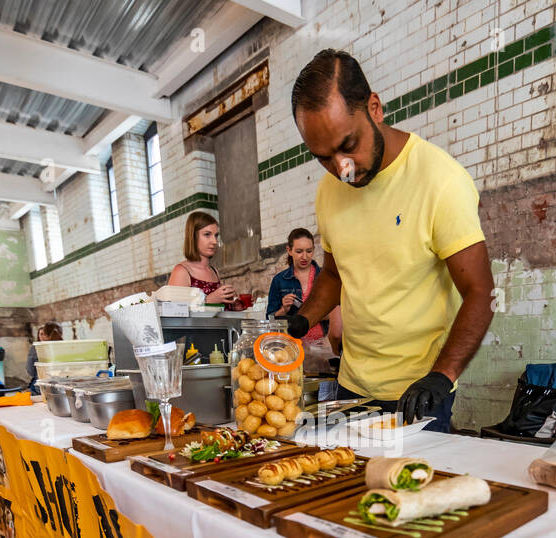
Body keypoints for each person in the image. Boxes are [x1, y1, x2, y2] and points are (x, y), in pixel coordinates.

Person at [281, 50, 494, 432]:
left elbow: (481, 292)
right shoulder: (329, 191)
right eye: (324, 157)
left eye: (348, 144)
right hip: (351, 388)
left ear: (374, 108)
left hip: (418, 394)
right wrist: (302, 319)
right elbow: (334, 275)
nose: (342, 168)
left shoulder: (440, 181)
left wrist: (443, 375)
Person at [266, 227, 342, 373]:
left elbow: (340, 314)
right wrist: (284, 309)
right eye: (299, 251)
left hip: (324, 348)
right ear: (289, 250)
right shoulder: (279, 280)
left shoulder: (326, 278)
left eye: (309, 251)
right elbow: (270, 320)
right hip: (292, 348)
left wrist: (318, 314)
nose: (305, 256)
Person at [168, 211, 237, 306]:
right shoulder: (182, 271)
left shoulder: (214, 271)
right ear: (193, 237)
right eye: (207, 234)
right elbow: (172, 310)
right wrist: (208, 300)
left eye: (216, 235)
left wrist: (232, 306)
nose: (214, 241)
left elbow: (215, 310)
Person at [26, 321, 63, 394]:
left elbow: (30, 370)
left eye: (44, 334)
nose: (42, 336)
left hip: (44, 384)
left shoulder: (36, 348)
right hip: (55, 384)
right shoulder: (63, 346)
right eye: (40, 334)